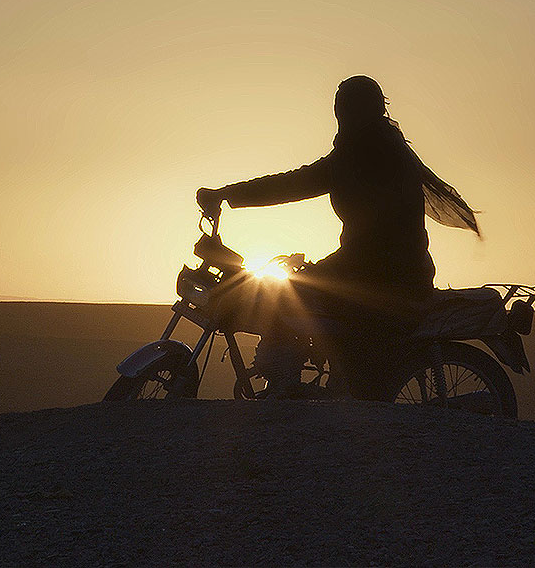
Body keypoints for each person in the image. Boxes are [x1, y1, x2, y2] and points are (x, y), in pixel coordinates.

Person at [197, 75, 482, 398]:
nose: (341, 115)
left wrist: (323, 269)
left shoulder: (378, 157)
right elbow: (295, 183)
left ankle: (305, 392)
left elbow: (378, 240)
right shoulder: (357, 152)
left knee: (287, 294)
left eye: (345, 107)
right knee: (294, 291)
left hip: (390, 280)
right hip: (366, 271)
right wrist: (227, 194)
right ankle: (299, 380)